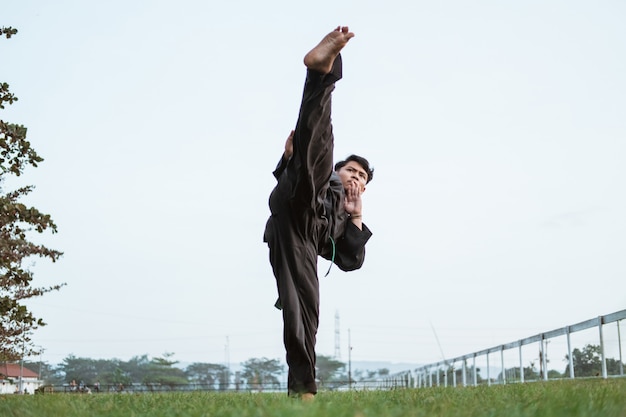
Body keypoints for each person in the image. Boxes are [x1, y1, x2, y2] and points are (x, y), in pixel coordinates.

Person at [263, 26, 374, 401]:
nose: (356, 178)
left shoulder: (344, 215)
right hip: (299, 199)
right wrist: (292, 159)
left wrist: (355, 216)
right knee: (319, 142)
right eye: (353, 171)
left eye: (362, 177)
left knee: (304, 311)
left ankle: (303, 391)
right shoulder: (329, 175)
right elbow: (302, 167)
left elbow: (350, 261)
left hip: (302, 238)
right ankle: (321, 73)